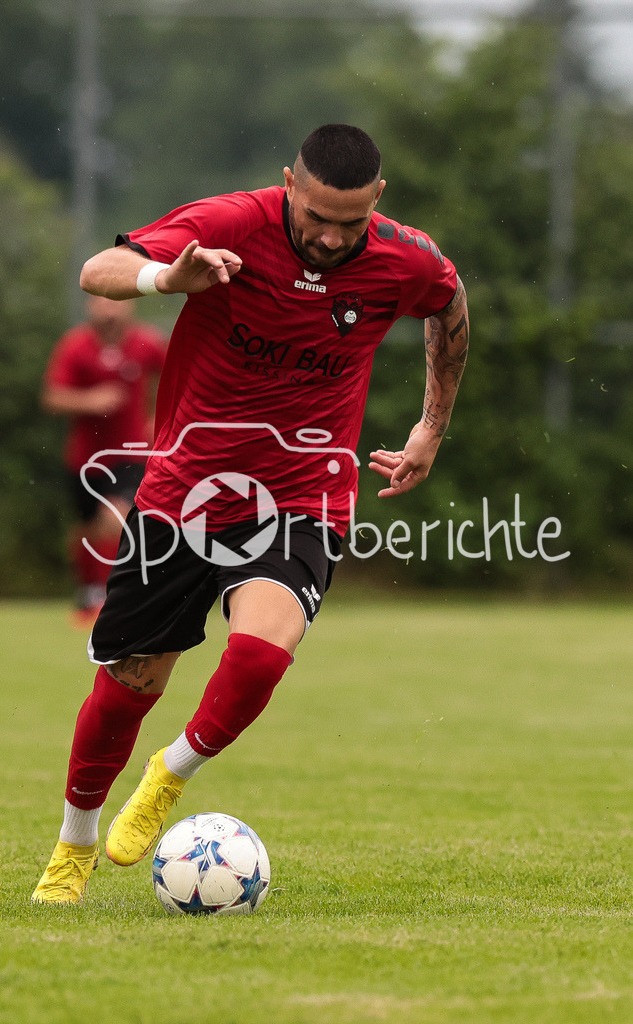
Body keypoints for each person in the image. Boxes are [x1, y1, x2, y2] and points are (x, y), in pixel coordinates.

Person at [32, 124, 469, 903]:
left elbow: (449, 303)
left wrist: (432, 425)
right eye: (316, 217)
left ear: (379, 200)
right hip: (184, 493)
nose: (332, 236)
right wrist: (169, 279)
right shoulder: (232, 222)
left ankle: (173, 772)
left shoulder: (404, 256)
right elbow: (100, 271)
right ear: (288, 186)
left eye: (352, 220)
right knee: (128, 687)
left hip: (302, 494)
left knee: (265, 650)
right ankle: (74, 845)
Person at [42, 295, 167, 625]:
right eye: (103, 302)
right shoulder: (75, 345)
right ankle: (88, 593)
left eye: (117, 301)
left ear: (130, 305)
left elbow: (180, 377)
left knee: (115, 517)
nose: (110, 308)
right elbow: (52, 397)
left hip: (131, 453)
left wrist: (159, 417)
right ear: (89, 305)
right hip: (86, 457)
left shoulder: (147, 342)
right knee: (85, 529)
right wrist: (90, 400)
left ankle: (109, 597)